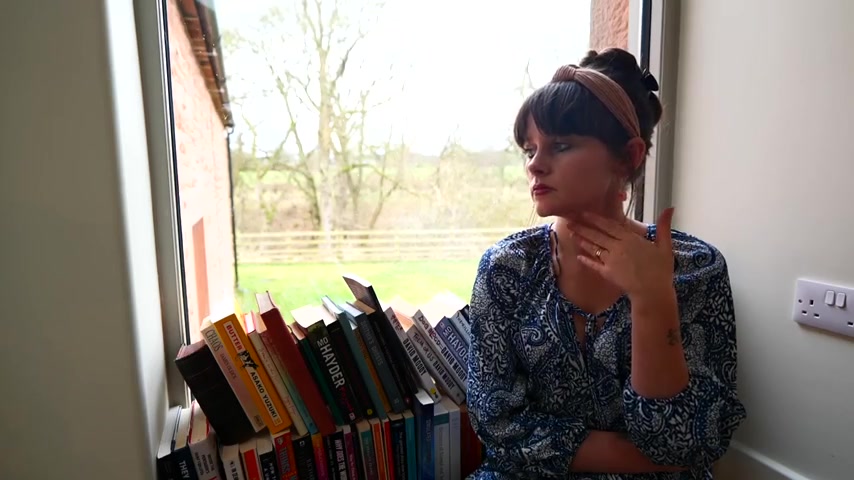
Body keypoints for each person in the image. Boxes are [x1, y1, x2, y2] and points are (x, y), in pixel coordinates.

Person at [466, 48, 747, 479]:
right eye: (530, 149)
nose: (534, 165)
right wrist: (648, 460)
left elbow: (691, 440)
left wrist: (653, 298)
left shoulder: (695, 268)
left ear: (629, 156)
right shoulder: (507, 268)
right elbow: (498, 425)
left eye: (561, 145)